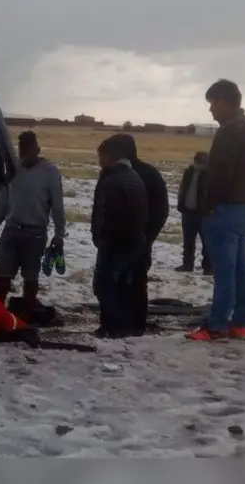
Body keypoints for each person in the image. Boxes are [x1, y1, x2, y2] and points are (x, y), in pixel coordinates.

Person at [187, 80, 245, 342]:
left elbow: (221, 174)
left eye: (213, 104)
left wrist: (209, 206)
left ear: (224, 102)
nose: (211, 110)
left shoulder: (230, 132)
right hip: (244, 208)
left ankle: (216, 326)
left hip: (224, 210)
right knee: (242, 271)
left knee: (225, 273)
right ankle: (240, 325)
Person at [0, 131, 66, 319]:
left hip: (35, 234)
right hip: (11, 230)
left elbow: (57, 206)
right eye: (22, 150)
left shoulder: (50, 172)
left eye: (29, 149)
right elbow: (3, 200)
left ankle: (25, 320)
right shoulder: (13, 169)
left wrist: (59, 234)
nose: (25, 154)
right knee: (2, 278)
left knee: (30, 278)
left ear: (37, 149)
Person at [108, 133, 169, 335]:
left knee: (133, 282)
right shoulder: (120, 172)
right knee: (124, 282)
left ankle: (132, 325)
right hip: (122, 240)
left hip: (136, 241)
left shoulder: (144, 174)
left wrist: (147, 237)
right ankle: (125, 324)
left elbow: (161, 210)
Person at [91, 136, 149, 339]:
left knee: (106, 286)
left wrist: (103, 238)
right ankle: (120, 326)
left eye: (101, 156)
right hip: (132, 242)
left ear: (110, 156)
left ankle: (113, 327)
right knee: (122, 286)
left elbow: (110, 215)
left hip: (116, 244)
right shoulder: (133, 177)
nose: (99, 161)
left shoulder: (113, 180)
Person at [176, 151, 212, 274]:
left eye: (202, 162)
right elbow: (182, 188)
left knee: (207, 243)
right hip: (188, 212)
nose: (199, 164)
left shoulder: (210, 175)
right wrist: (180, 204)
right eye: (197, 161)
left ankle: (208, 267)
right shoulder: (189, 172)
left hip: (204, 214)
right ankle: (187, 264)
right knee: (188, 242)